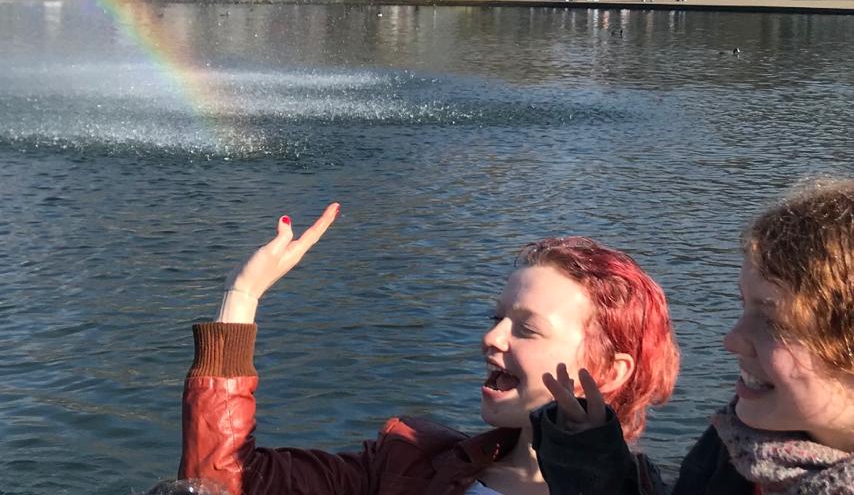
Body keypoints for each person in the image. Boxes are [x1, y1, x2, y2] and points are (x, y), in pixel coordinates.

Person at [178, 207, 680, 495]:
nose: (492, 338)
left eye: (526, 330)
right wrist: (241, 300)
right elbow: (221, 483)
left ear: (611, 371)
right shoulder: (411, 465)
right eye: (496, 319)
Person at [534, 179, 854, 494]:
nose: (731, 340)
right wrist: (589, 457)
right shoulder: (739, 446)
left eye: (775, 320)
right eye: (743, 305)